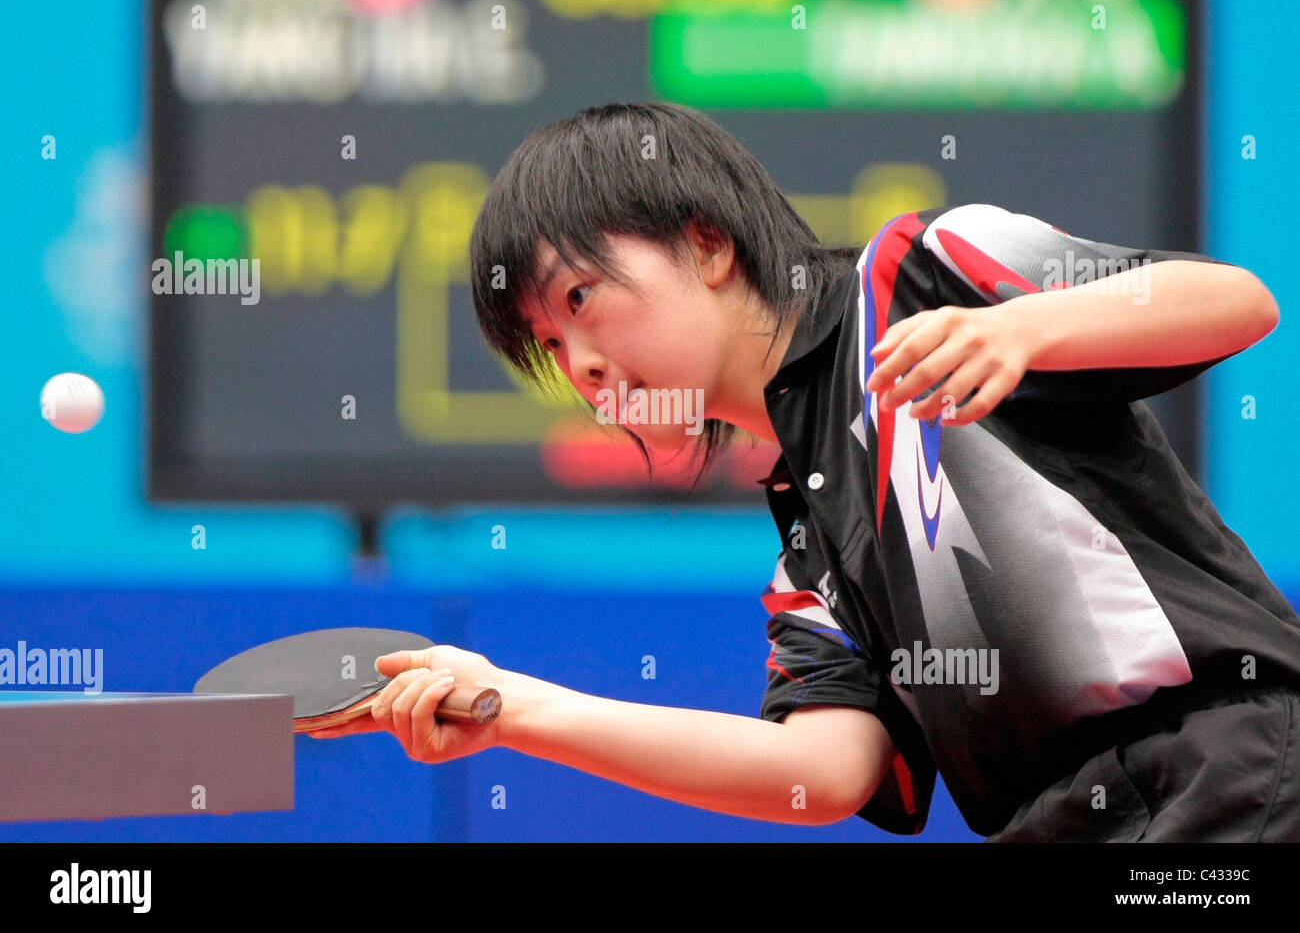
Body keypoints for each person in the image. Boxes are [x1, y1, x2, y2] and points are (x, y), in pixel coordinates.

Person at [316, 102, 1300, 841]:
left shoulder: (922, 269)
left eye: (581, 295)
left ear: (704, 241)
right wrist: (515, 705)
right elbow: (821, 771)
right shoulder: (809, 541)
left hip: (1229, 775)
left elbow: (1232, 300)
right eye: (548, 342)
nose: (581, 364)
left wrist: (1020, 326)